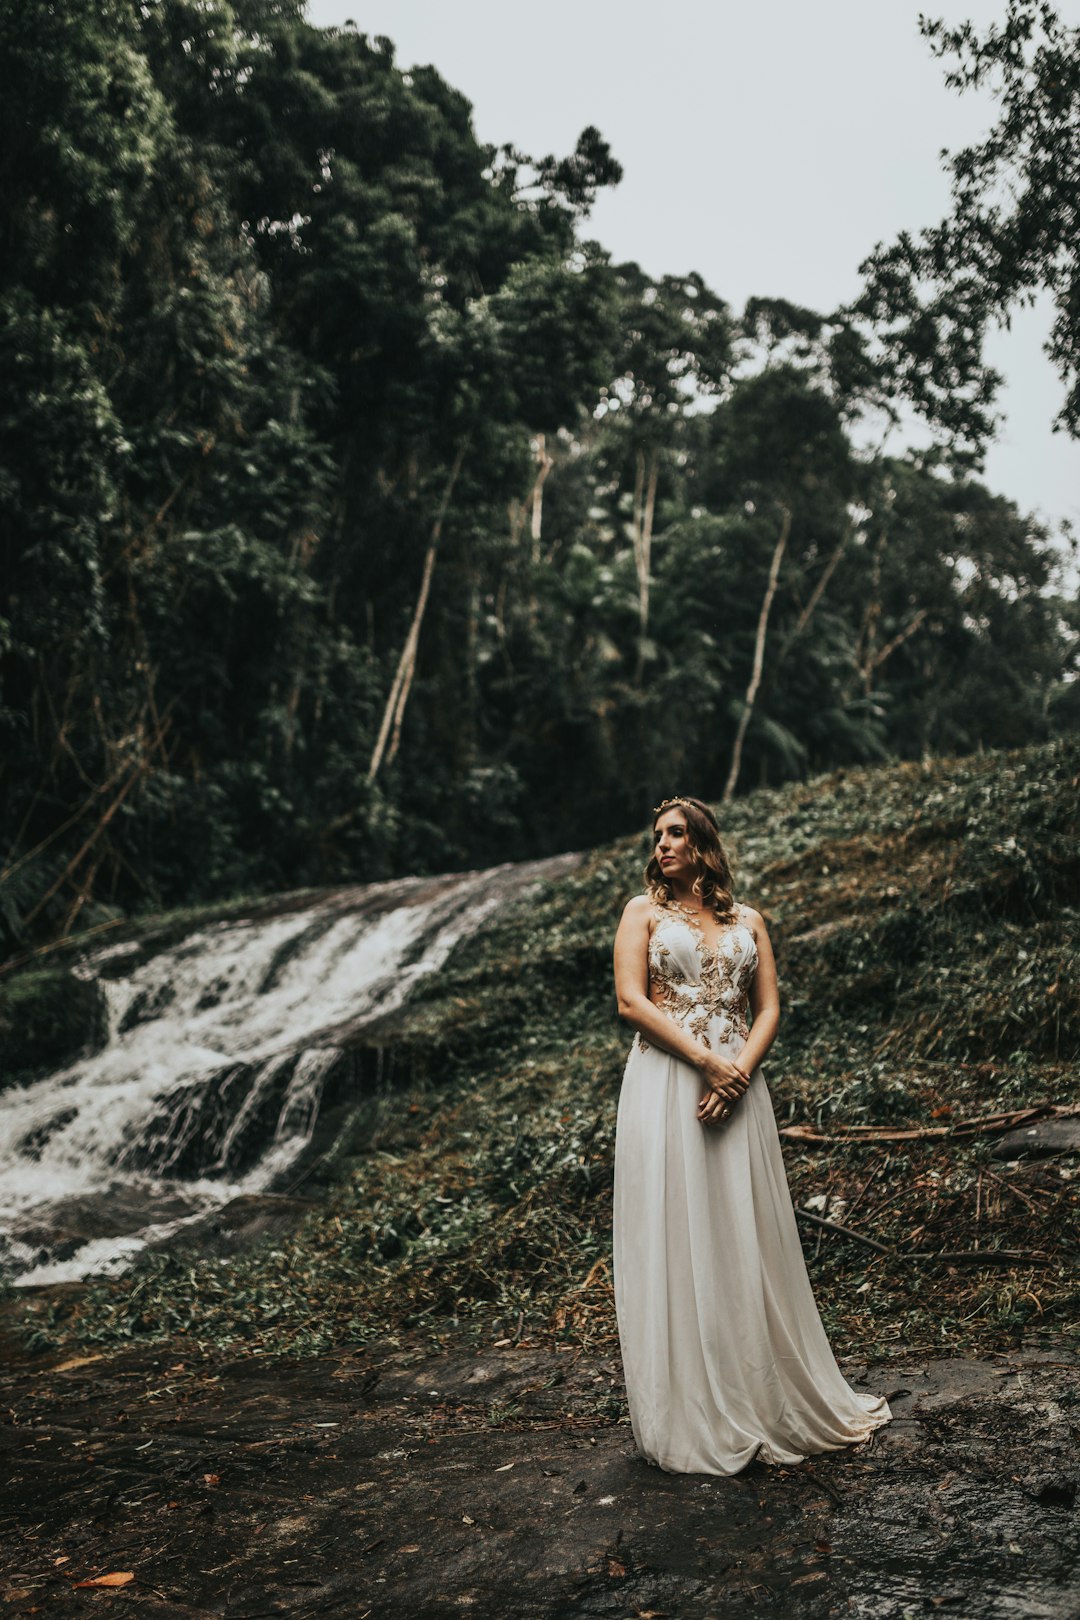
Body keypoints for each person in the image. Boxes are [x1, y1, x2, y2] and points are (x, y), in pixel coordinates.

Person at [611, 794, 891, 1474]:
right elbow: (630, 1002)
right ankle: (691, 1405)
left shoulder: (750, 921)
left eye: (676, 833)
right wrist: (706, 1062)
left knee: (743, 1230)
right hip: (669, 1084)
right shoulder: (641, 913)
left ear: (703, 841)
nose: (663, 846)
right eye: (658, 836)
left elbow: (769, 1007)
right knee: (679, 1230)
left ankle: (763, 1391)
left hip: (739, 1084)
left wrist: (737, 1070)